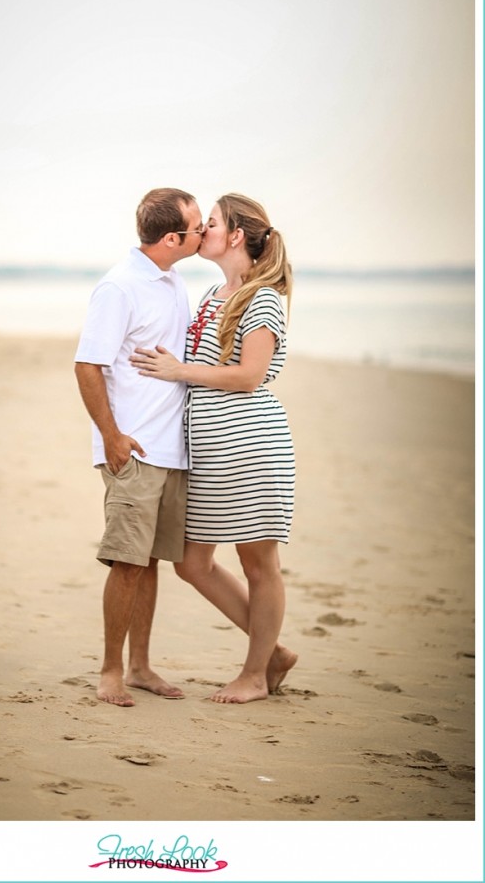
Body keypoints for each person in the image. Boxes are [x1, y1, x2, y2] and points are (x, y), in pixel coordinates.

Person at [130, 193, 297, 704]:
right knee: (192, 563)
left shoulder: (261, 297)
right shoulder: (211, 293)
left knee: (258, 564)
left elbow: (249, 376)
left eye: (213, 223)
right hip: (207, 451)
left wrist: (179, 371)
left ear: (237, 236)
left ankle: (254, 675)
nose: (204, 230)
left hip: (251, 447)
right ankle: (274, 653)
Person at [74, 187, 204, 707]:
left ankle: (141, 667)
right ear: (172, 237)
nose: (204, 233)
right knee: (127, 562)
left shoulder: (173, 281)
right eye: (197, 227)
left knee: (149, 562)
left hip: (173, 450)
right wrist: (111, 438)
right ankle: (110, 671)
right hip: (135, 450)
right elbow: (87, 365)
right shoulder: (120, 287)